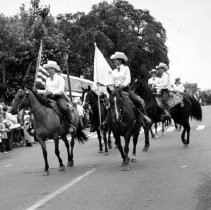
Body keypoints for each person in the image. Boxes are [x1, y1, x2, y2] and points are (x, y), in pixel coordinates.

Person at [105, 51, 151, 125]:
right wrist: (102, 84)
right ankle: (106, 121)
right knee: (109, 103)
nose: (114, 61)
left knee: (138, 101)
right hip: (116, 90)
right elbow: (111, 81)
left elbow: (128, 79)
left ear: (120, 60)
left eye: (115, 60)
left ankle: (144, 117)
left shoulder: (126, 68)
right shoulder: (113, 71)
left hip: (125, 89)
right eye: (114, 60)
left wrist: (123, 85)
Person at [34, 60, 74, 133]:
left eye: (48, 69)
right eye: (47, 69)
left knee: (64, 108)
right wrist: (38, 91)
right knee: (39, 107)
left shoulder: (60, 78)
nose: (47, 70)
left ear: (53, 69)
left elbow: (61, 90)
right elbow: (46, 91)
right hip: (49, 97)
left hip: (58, 97)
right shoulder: (47, 80)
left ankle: (70, 124)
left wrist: (52, 92)